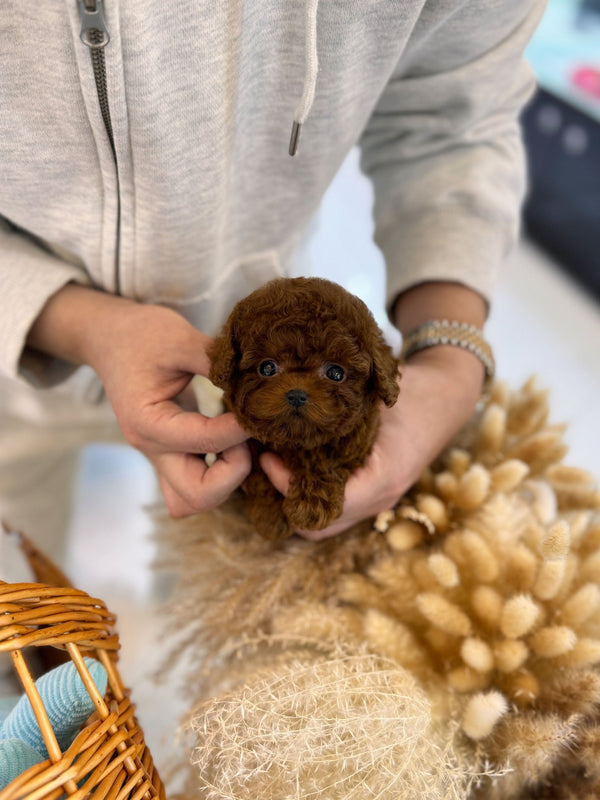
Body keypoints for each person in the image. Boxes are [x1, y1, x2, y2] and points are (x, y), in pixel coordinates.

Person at [0, 0, 546, 556]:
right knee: (24, 598)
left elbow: (455, 122)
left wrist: (450, 361)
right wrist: (80, 324)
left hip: (243, 369)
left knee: (218, 584)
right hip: (12, 370)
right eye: (277, 372)